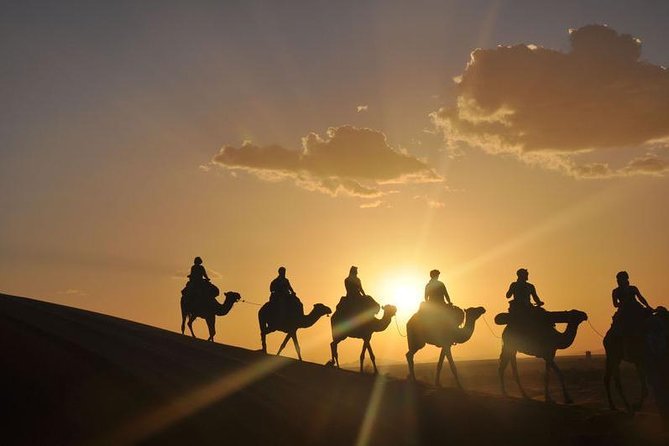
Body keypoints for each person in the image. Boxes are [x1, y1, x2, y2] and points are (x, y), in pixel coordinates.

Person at [611, 271, 653, 336]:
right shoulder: (615, 291)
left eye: (620, 279)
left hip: (636, 308)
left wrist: (648, 306)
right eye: (618, 279)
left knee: (650, 317)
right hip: (623, 310)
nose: (618, 281)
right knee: (617, 324)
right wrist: (623, 303)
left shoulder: (633, 288)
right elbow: (615, 304)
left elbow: (640, 298)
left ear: (626, 279)